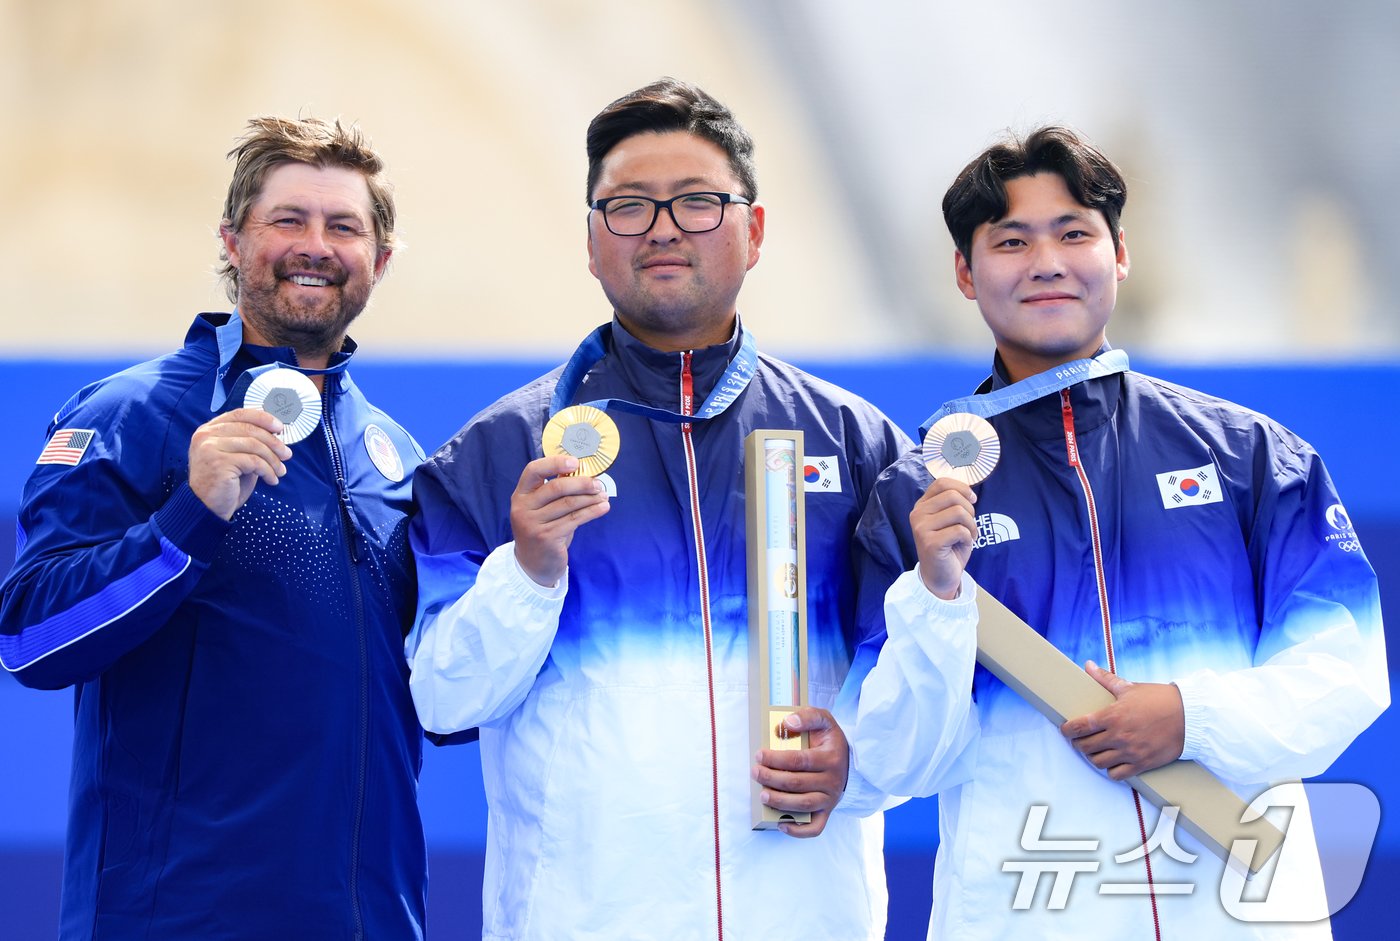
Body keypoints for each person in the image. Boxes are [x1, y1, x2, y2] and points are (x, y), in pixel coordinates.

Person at [843, 125, 1388, 938]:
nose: (1047, 262)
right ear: (965, 270)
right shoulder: (915, 496)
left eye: (1074, 233)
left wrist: (1188, 714)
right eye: (1011, 241)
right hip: (1030, 907)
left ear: (1120, 251)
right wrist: (937, 592)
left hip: (1235, 911)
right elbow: (890, 760)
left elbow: (1348, 670)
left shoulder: (1249, 456)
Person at [406, 78, 912, 940]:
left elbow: (920, 677)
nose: (666, 227)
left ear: (754, 231)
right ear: (592, 241)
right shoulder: (501, 451)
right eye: (630, 206)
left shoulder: (855, 442)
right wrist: (528, 570)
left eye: (699, 203)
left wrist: (858, 751)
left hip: (801, 912)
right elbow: (441, 700)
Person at [0, 116, 428, 939]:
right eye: (288, 220)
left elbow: (443, 690)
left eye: (345, 226)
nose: (317, 244)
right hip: (180, 918)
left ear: (381, 257)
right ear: (232, 240)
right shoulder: (133, 414)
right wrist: (185, 518)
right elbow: (29, 636)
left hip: (371, 919)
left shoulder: (396, 453)